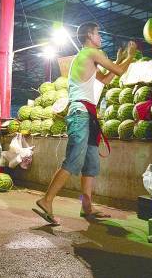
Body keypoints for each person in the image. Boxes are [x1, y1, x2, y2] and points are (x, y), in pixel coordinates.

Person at [33, 22, 136, 225]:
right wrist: (130, 57)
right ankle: (46, 200)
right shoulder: (91, 53)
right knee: (73, 160)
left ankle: (86, 206)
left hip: (87, 113)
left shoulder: (87, 57)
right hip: (81, 113)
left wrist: (119, 59)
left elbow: (105, 80)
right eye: (98, 33)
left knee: (91, 163)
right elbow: (119, 71)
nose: (100, 37)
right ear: (90, 34)